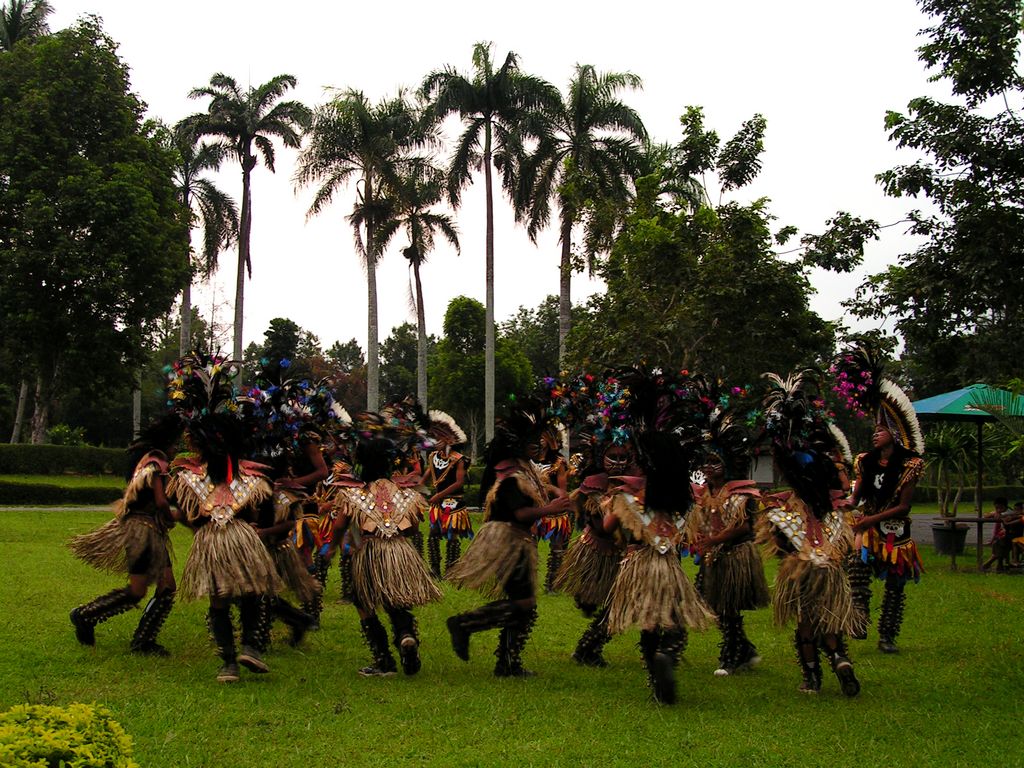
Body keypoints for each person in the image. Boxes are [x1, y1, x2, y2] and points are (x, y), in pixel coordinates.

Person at [600, 369, 715, 704]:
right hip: (670, 567)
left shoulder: (626, 501)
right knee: (675, 618)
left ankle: (655, 677)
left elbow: (607, 531)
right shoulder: (684, 503)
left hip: (637, 565)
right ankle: (669, 654)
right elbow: (697, 528)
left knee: (648, 623)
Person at [165, 354, 282, 683]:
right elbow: (260, 513)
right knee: (252, 592)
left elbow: (186, 515)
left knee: (219, 600)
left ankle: (229, 663)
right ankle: (248, 646)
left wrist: (199, 527)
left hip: (211, 542)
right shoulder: (253, 480)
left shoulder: (187, 478)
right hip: (243, 539)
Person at [445, 397, 573, 678]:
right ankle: (465, 625)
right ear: (517, 444)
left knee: (525, 604)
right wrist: (549, 509)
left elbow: (540, 488)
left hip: (515, 541)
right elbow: (520, 513)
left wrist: (557, 494)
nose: (539, 445)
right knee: (524, 604)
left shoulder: (522, 468)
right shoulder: (512, 477)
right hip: (507, 541)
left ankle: (507, 662)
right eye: (533, 441)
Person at [758, 369, 862, 696]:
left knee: (806, 623)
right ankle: (839, 658)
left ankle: (812, 677)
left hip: (802, 567)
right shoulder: (835, 513)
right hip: (829, 568)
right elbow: (845, 546)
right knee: (830, 618)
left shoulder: (784, 512)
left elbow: (779, 544)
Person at [325, 418, 442, 677]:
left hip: (370, 550)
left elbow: (341, 525)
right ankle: (405, 635)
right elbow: (412, 528)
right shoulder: (406, 493)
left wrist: (332, 548)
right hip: (401, 551)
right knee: (396, 600)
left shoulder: (353, 494)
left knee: (363, 601)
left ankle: (384, 661)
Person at [834, 342, 925, 655]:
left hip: (897, 533)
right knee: (856, 569)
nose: (875, 434)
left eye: (880, 429)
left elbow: (904, 506)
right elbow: (856, 497)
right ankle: (858, 621)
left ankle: (887, 636)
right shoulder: (865, 460)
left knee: (895, 588)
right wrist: (841, 503)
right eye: (873, 429)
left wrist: (870, 519)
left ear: (895, 432)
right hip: (868, 531)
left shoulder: (910, 465)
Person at [69, 414, 184, 655]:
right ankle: (86, 615)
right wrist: (176, 516)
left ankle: (143, 640)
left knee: (166, 586)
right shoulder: (157, 463)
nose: (176, 450)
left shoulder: (146, 460)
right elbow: (161, 501)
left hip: (149, 531)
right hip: (142, 532)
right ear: (166, 443)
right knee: (138, 590)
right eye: (175, 445)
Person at [688, 411, 770, 677]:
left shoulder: (741, 493)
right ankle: (743, 649)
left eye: (715, 463)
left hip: (735, 555)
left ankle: (732, 657)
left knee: (728, 607)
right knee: (712, 604)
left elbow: (744, 526)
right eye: (706, 463)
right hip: (714, 556)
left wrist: (713, 539)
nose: (709, 468)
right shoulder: (706, 493)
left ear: (727, 465)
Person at [553, 435, 632, 668]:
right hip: (595, 551)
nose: (618, 462)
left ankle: (589, 647)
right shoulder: (593, 486)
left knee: (618, 604)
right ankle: (587, 610)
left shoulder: (633, 485)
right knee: (596, 600)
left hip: (621, 555)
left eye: (623, 457)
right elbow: (602, 525)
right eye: (612, 457)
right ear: (601, 458)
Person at [422, 410, 471, 578]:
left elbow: (459, 483)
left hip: (454, 503)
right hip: (437, 504)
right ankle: (435, 570)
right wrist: (416, 491)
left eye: (438, 439)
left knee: (452, 537)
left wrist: (439, 495)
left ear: (448, 440)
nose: (434, 443)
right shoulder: (433, 457)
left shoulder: (459, 459)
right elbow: (427, 477)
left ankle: (451, 570)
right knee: (433, 535)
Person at [982, 497, 1014, 571]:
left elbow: (1001, 515)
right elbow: (986, 515)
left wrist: (995, 513)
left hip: (1011, 537)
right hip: (1002, 537)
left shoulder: (1010, 512)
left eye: (1001, 508)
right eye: (997, 508)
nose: (999, 510)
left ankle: (988, 563)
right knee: (998, 543)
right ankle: (998, 565)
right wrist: (994, 513)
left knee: (999, 544)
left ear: (1006, 506)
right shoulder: (999, 512)